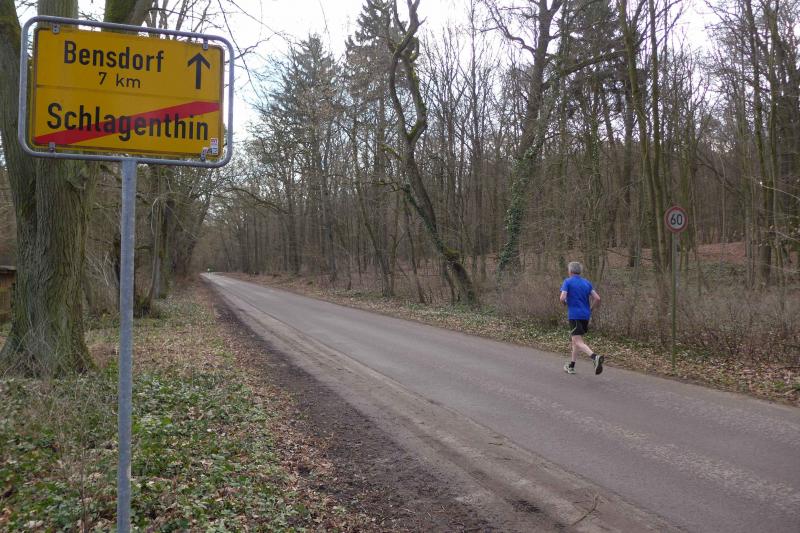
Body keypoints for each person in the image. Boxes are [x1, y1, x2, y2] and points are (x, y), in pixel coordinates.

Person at [560, 261, 603, 375]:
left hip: (574, 315)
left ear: (570, 271)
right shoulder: (586, 282)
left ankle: (595, 357)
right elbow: (597, 298)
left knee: (578, 341)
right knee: (575, 341)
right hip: (585, 315)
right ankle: (571, 366)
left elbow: (562, 297)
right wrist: (590, 309)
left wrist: (565, 303)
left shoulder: (567, 281)